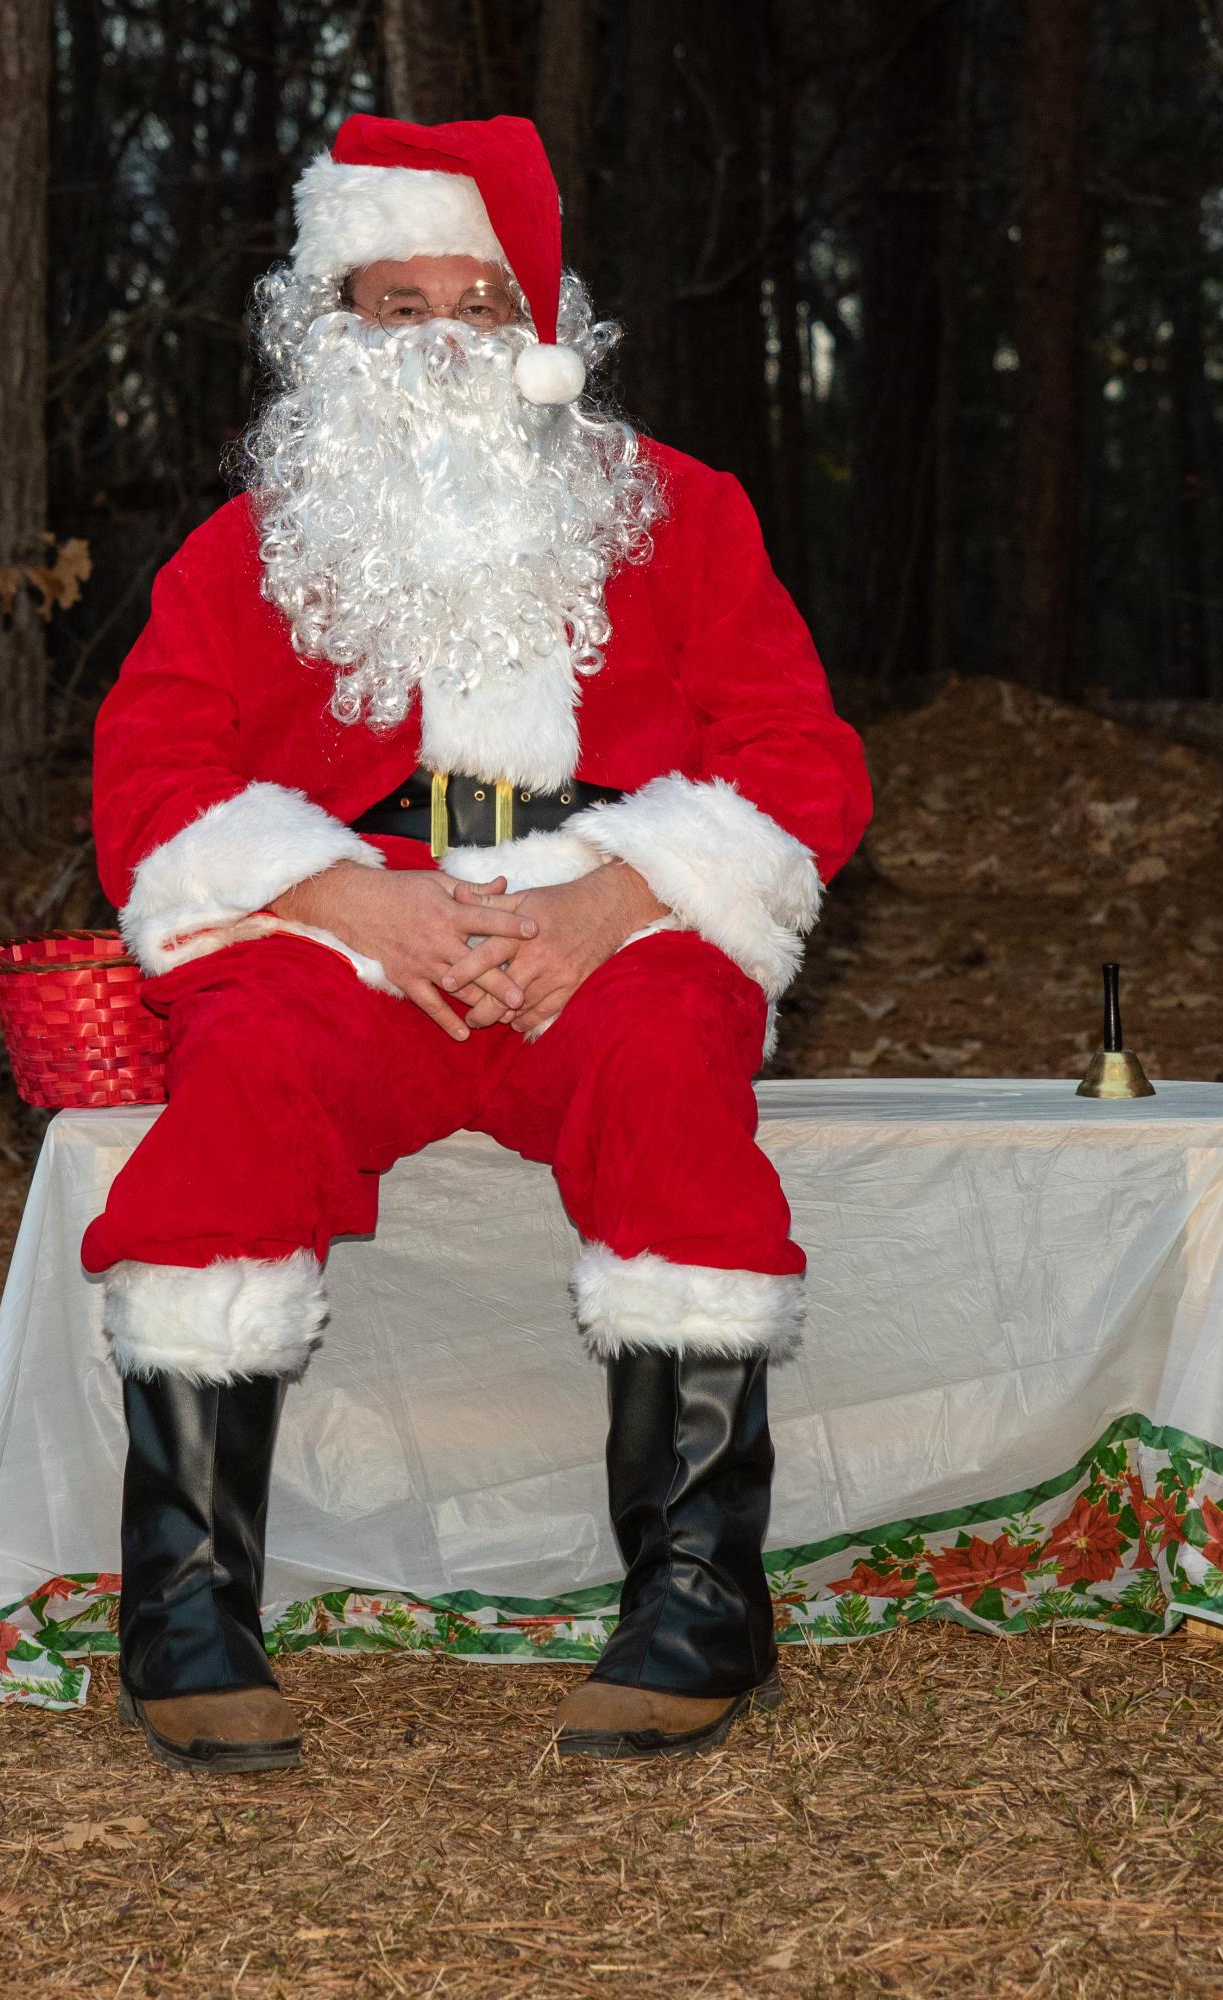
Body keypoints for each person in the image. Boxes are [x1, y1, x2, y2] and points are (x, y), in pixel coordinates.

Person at [84, 114, 871, 1773]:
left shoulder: (688, 517)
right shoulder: (253, 550)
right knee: (245, 1084)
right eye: (395, 304)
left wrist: (609, 895)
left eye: (477, 301)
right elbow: (153, 787)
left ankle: (698, 1592)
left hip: (610, 928)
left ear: (542, 330)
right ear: (333, 325)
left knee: (667, 1066)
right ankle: (185, 1595)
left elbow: (803, 765)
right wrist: (350, 897)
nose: (439, 342)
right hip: (350, 937)